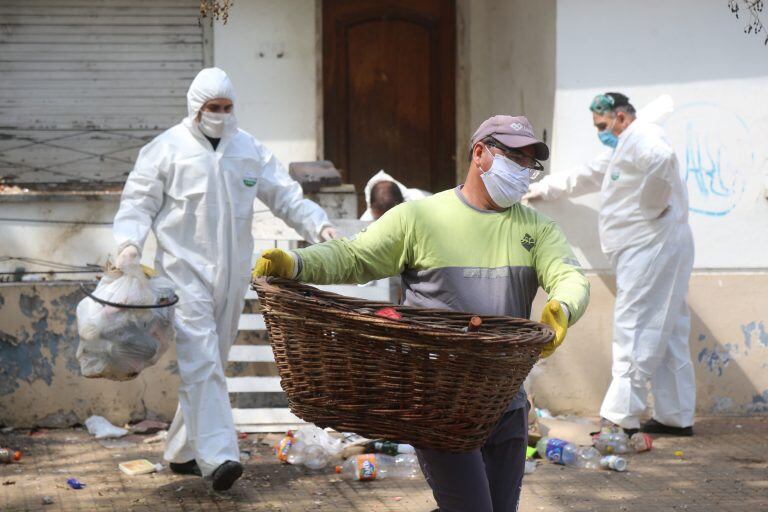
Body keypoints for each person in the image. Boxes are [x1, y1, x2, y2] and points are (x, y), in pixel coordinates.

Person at [254, 115, 590, 511]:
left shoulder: (537, 228)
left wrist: (562, 306)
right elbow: (354, 256)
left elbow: (569, 275)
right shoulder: (419, 218)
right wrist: (295, 263)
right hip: (440, 405)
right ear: (480, 154)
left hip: (506, 401)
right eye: (513, 157)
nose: (522, 171)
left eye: (529, 164)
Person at [112, 67, 337, 491]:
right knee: (202, 359)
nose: (220, 114)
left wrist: (318, 226)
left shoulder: (247, 149)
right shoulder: (166, 150)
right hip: (183, 276)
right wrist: (128, 243)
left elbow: (285, 195)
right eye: (212, 108)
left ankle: (181, 451)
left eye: (226, 107)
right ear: (195, 109)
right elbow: (138, 202)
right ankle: (220, 457)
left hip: (232, 278)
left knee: (210, 362)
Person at [525, 92, 696, 437]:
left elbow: (663, 160)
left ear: (620, 117)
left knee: (634, 325)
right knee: (670, 328)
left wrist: (652, 208)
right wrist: (542, 189)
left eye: (602, 124)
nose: (599, 130)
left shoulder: (643, 137)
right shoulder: (623, 147)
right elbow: (587, 175)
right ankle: (675, 415)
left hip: (651, 247)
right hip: (655, 247)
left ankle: (620, 415)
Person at [360, 170, 431, 220]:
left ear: (400, 204)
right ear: (372, 207)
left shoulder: (424, 203)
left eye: (391, 219)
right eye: (378, 219)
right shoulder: (366, 221)